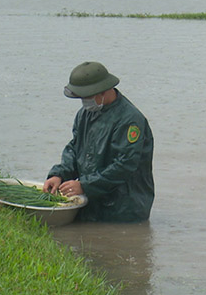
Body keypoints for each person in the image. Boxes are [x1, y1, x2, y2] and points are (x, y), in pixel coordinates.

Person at [43, 61, 154, 222]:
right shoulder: (85, 114)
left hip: (123, 207)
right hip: (93, 202)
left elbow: (125, 164)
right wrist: (59, 174)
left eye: (87, 96)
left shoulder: (130, 120)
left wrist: (85, 186)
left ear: (103, 91)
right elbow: (75, 148)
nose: (84, 101)